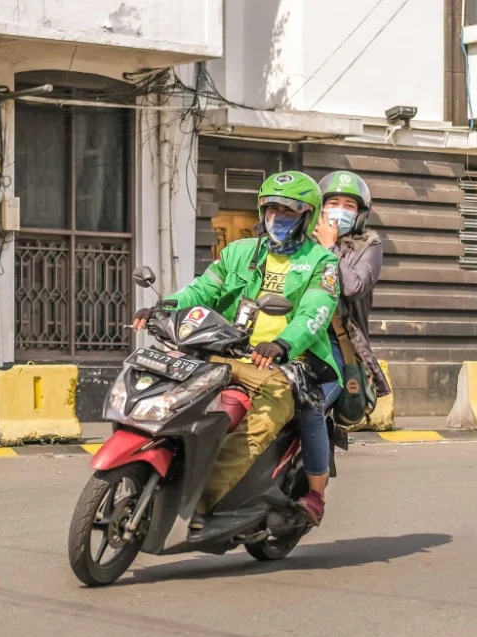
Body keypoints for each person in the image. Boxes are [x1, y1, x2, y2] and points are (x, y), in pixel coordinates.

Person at [133, 171, 340, 526]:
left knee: (270, 415)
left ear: (307, 216)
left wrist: (283, 343)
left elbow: (315, 313)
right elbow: (202, 290)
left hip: (288, 362)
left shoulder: (322, 262)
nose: (277, 217)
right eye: (271, 208)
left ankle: (206, 501)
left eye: (288, 210)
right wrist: (163, 307)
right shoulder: (239, 252)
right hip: (227, 349)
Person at [295, 170, 393, 525]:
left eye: (347, 205)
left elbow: (352, 287)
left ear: (360, 213)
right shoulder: (302, 241)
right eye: (332, 203)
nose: (339, 210)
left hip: (339, 348)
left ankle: (315, 494)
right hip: (293, 338)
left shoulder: (369, 248)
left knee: (312, 405)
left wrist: (328, 248)